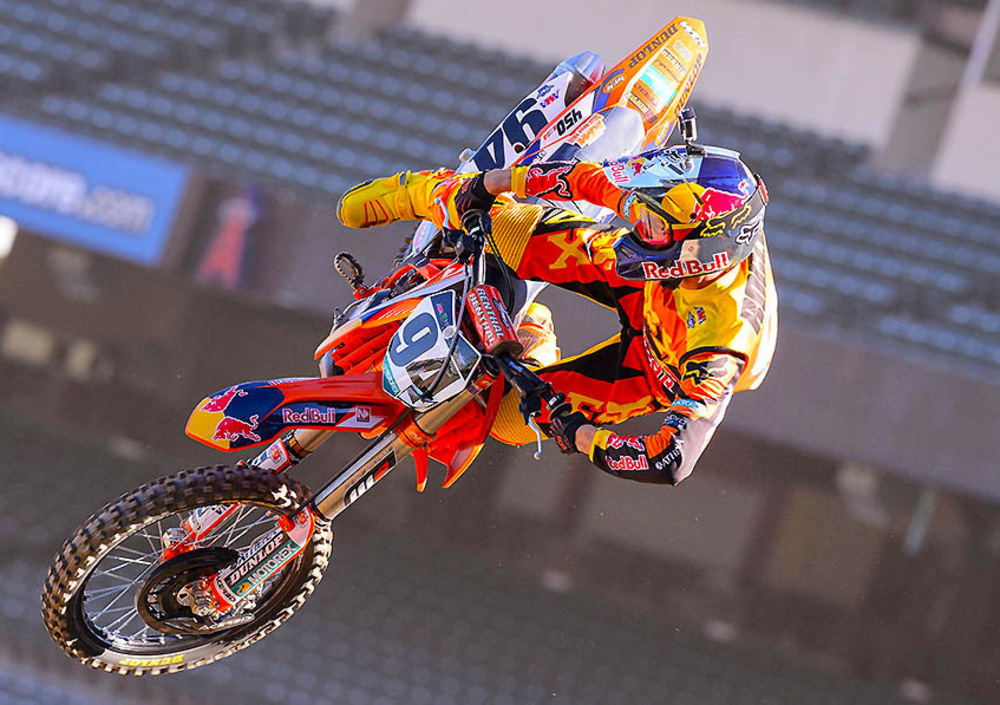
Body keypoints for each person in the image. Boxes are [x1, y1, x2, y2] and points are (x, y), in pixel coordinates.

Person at [337, 145, 776, 485]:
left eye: (654, 226)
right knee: (506, 226)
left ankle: (531, 330)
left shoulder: (719, 351)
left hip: (657, 367)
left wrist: (580, 435)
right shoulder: (688, 211)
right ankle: (421, 190)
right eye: (642, 212)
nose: (637, 223)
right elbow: (589, 178)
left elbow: (671, 460)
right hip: (657, 287)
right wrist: (487, 184)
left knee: (508, 420)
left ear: (703, 249)